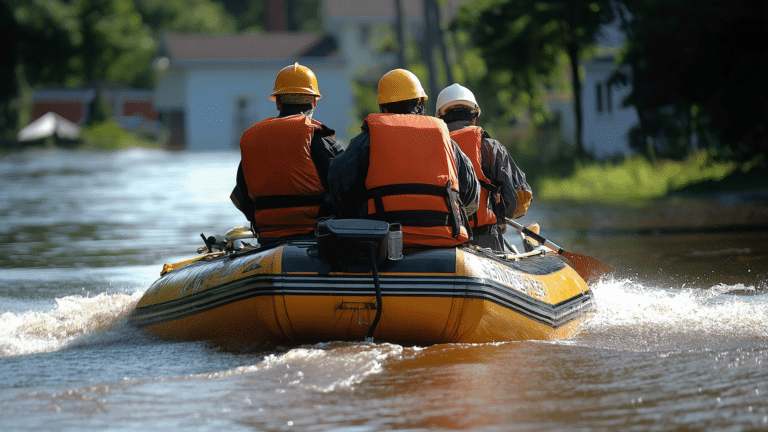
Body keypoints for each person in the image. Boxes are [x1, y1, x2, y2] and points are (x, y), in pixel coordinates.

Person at [327, 69, 480, 248]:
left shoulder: (366, 141)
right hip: (443, 236)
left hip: (382, 237)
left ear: (383, 108)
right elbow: (471, 197)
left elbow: (339, 187)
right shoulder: (445, 140)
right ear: (420, 105)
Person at [231, 62, 344, 243]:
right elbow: (344, 189)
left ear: (278, 103)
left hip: (268, 239)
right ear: (314, 101)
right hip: (315, 236)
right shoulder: (318, 140)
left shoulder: (254, 141)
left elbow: (241, 198)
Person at [435, 83, 533, 251]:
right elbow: (517, 201)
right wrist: (499, 213)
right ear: (474, 117)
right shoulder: (490, 147)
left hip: (442, 239)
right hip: (484, 239)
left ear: (440, 119)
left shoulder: (432, 147)